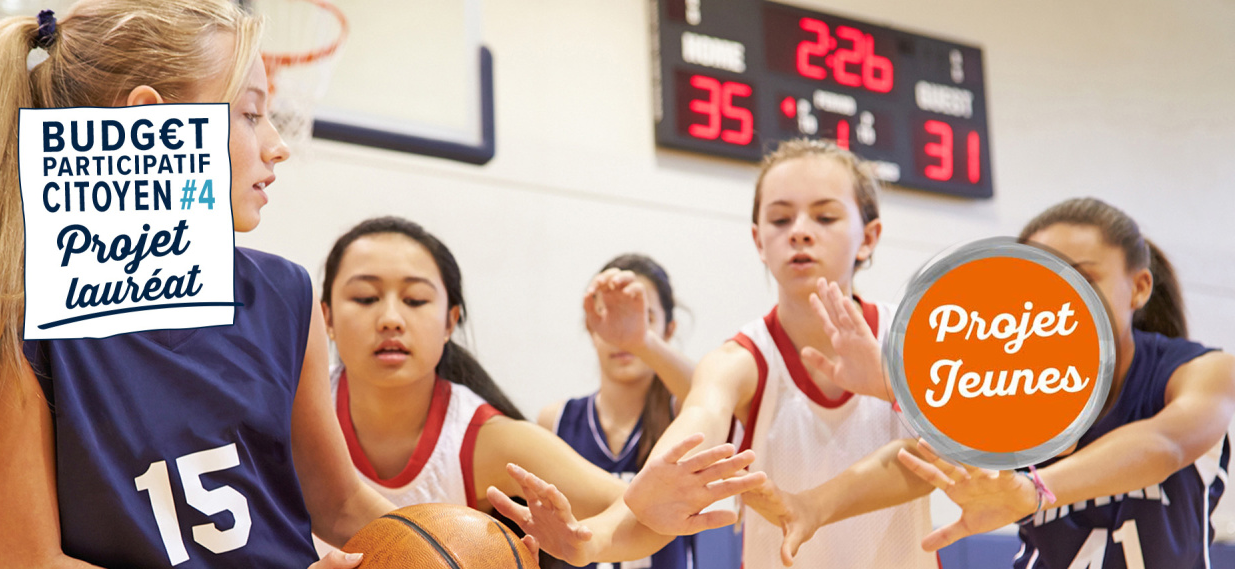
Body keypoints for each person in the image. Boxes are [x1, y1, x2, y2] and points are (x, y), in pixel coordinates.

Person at [0, 2, 393, 567]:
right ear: (150, 123)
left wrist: (471, 545)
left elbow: (339, 504)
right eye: (251, 114)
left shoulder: (287, 295)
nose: (278, 144)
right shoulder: (15, 319)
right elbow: (24, 562)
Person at [495, 138, 939, 568]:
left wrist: (889, 389)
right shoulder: (739, 361)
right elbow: (684, 448)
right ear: (758, 241)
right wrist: (591, 541)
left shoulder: (914, 339)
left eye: (825, 216)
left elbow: (946, 459)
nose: (800, 231)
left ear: (869, 237)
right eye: (780, 219)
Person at [320, 217, 761, 566]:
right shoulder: (295, 410)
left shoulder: (488, 439)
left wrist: (587, 543)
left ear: (451, 321)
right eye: (365, 298)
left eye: (415, 300)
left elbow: (639, 513)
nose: (390, 319)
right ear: (326, 317)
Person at [895, 198, 1235, 568]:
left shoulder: (1205, 371)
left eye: (1083, 279)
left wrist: (1035, 490)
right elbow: (915, 453)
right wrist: (885, 387)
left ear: (1139, 287)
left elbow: (1164, 444)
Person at [537, 254, 699, 568]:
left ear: (669, 330)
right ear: (590, 324)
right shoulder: (555, 421)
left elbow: (716, 396)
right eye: (609, 313)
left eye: (643, 317)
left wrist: (642, 342)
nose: (623, 327)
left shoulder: (684, 412)